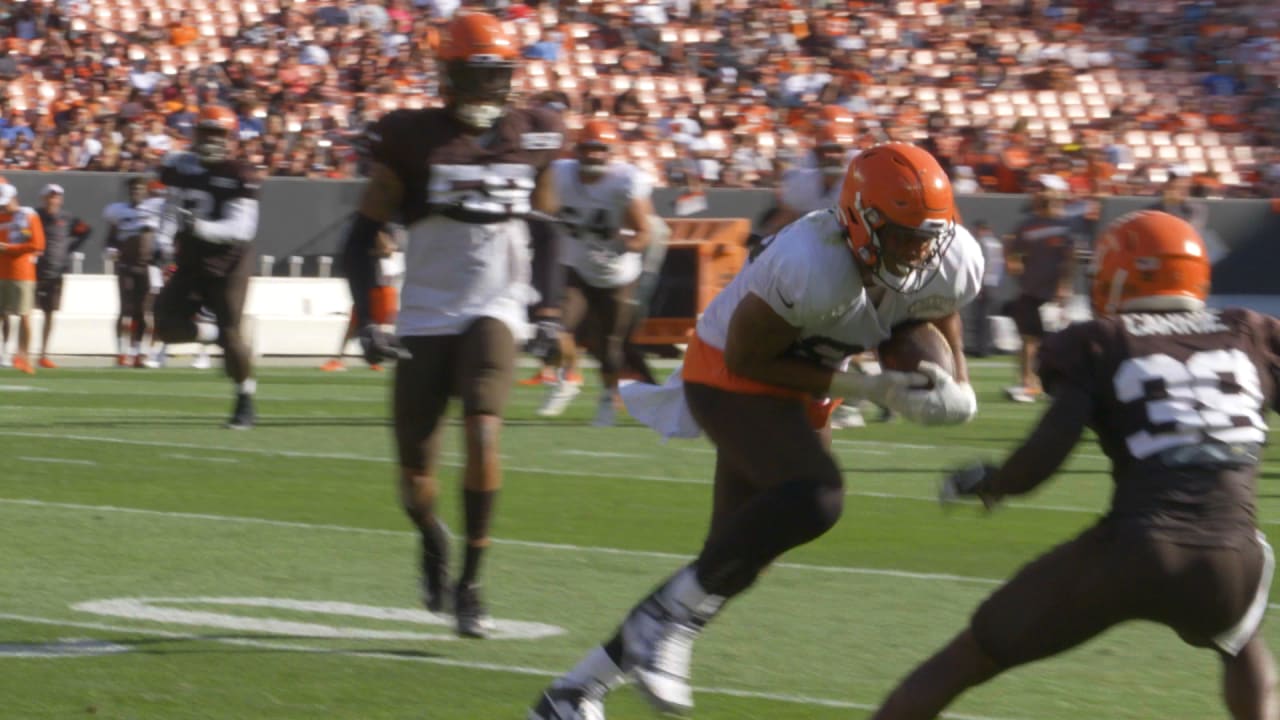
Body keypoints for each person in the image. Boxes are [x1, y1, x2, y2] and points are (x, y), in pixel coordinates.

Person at [528, 143, 985, 720]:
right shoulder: (812, 261)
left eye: (929, 238)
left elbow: (941, 300)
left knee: (734, 561)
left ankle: (573, 692)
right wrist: (870, 389)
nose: (919, 252)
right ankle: (655, 624)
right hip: (728, 371)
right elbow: (747, 360)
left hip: (808, 378)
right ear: (862, 221)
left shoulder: (949, 257)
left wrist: (959, 382)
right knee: (816, 498)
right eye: (904, 237)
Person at [871, 210, 1279, 720]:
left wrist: (997, 483)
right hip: (1231, 558)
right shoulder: (1250, 332)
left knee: (969, 656)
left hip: (1135, 548)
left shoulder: (1100, 340)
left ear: (1122, 274)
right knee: (1241, 640)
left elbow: (1050, 448)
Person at [340, 11, 564, 639]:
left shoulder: (537, 132)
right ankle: (432, 535)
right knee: (415, 478)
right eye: (475, 75)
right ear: (447, 75)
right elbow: (361, 239)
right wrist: (370, 318)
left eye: (497, 76)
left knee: (485, 433)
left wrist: (546, 310)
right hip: (426, 310)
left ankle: (472, 581)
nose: (487, 90)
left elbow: (546, 230)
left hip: (498, 302)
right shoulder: (410, 137)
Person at [535, 119, 654, 426]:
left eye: (601, 150)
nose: (595, 156)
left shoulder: (624, 180)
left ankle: (607, 399)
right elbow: (542, 210)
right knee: (556, 329)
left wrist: (622, 246)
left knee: (610, 345)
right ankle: (568, 377)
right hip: (575, 265)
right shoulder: (560, 174)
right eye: (589, 149)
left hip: (616, 273)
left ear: (610, 152)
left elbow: (643, 233)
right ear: (578, 150)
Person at [152, 105, 261, 428]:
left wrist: (198, 227)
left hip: (230, 262)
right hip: (191, 259)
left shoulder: (242, 174)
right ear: (195, 133)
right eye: (207, 132)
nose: (212, 140)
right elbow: (172, 207)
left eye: (219, 133)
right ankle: (210, 333)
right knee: (165, 326)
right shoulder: (180, 166)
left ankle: (245, 399)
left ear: (231, 137)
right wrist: (162, 241)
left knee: (232, 335)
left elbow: (242, 230)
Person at [1003, 175, 1075, 403]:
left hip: (1053, 294)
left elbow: (1069, 259)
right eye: (1040, 190)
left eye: (1045, 190)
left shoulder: (1066, 226)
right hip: (1030, 290)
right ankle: (1027, 383)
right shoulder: (1028, 224)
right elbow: (1011, 246)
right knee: (1028, 339)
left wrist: (1064, 285)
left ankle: (1056, 384)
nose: (1041, 194)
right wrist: (1013, 263)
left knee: (1055, 343)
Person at [321, 226, 403, 372]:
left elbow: (388, 249)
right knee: (366, 324)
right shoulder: (386, 230)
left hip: (374, 286)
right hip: (376, 285)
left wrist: (366, 251)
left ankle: (342, 359)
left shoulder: (379, 230)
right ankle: (372, 358)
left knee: (359, 324)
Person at [104, 177, 165, 368]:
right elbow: (110, 238)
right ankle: (121, 352)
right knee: (125, 309)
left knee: (143, 311)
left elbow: (161, 235)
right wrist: (111, 249)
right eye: (133, 189)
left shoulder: (155, 209)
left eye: (139, 188)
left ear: (146, 191)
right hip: (126, 265)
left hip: (147, 266)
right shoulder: (118, 211)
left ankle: (138, 351)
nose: (136, 192)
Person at [33, 183, 92, 368]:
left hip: (56, 272)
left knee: (50, 313)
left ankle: (43, 353)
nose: (53, 200)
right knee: (22, 312)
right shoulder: (34, 217)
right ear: (43, 199)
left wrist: (70, 249)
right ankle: (19, 351)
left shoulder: (68, 218)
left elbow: (87, 230)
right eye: (50, 196)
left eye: (56, 196)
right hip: (34, 272)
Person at [0, 181, 45, 374]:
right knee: (2, 315)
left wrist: (10, 249)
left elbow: (37, 244)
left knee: (24, 315)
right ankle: (5, 353)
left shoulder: (28, 215)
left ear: (13, 197)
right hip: (2, 273)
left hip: (22, 274)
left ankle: (24, 356)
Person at [969, 220, 1004, 357]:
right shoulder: (997, 244)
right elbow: (1000, 266)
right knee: (987, 318)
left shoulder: (982, 243)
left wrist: (980, 285)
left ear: (981, 229)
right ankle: (986, 346)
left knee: (980, 318)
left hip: (984, 284)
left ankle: (981, 349)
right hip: (994, 283)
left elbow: (982, 264)